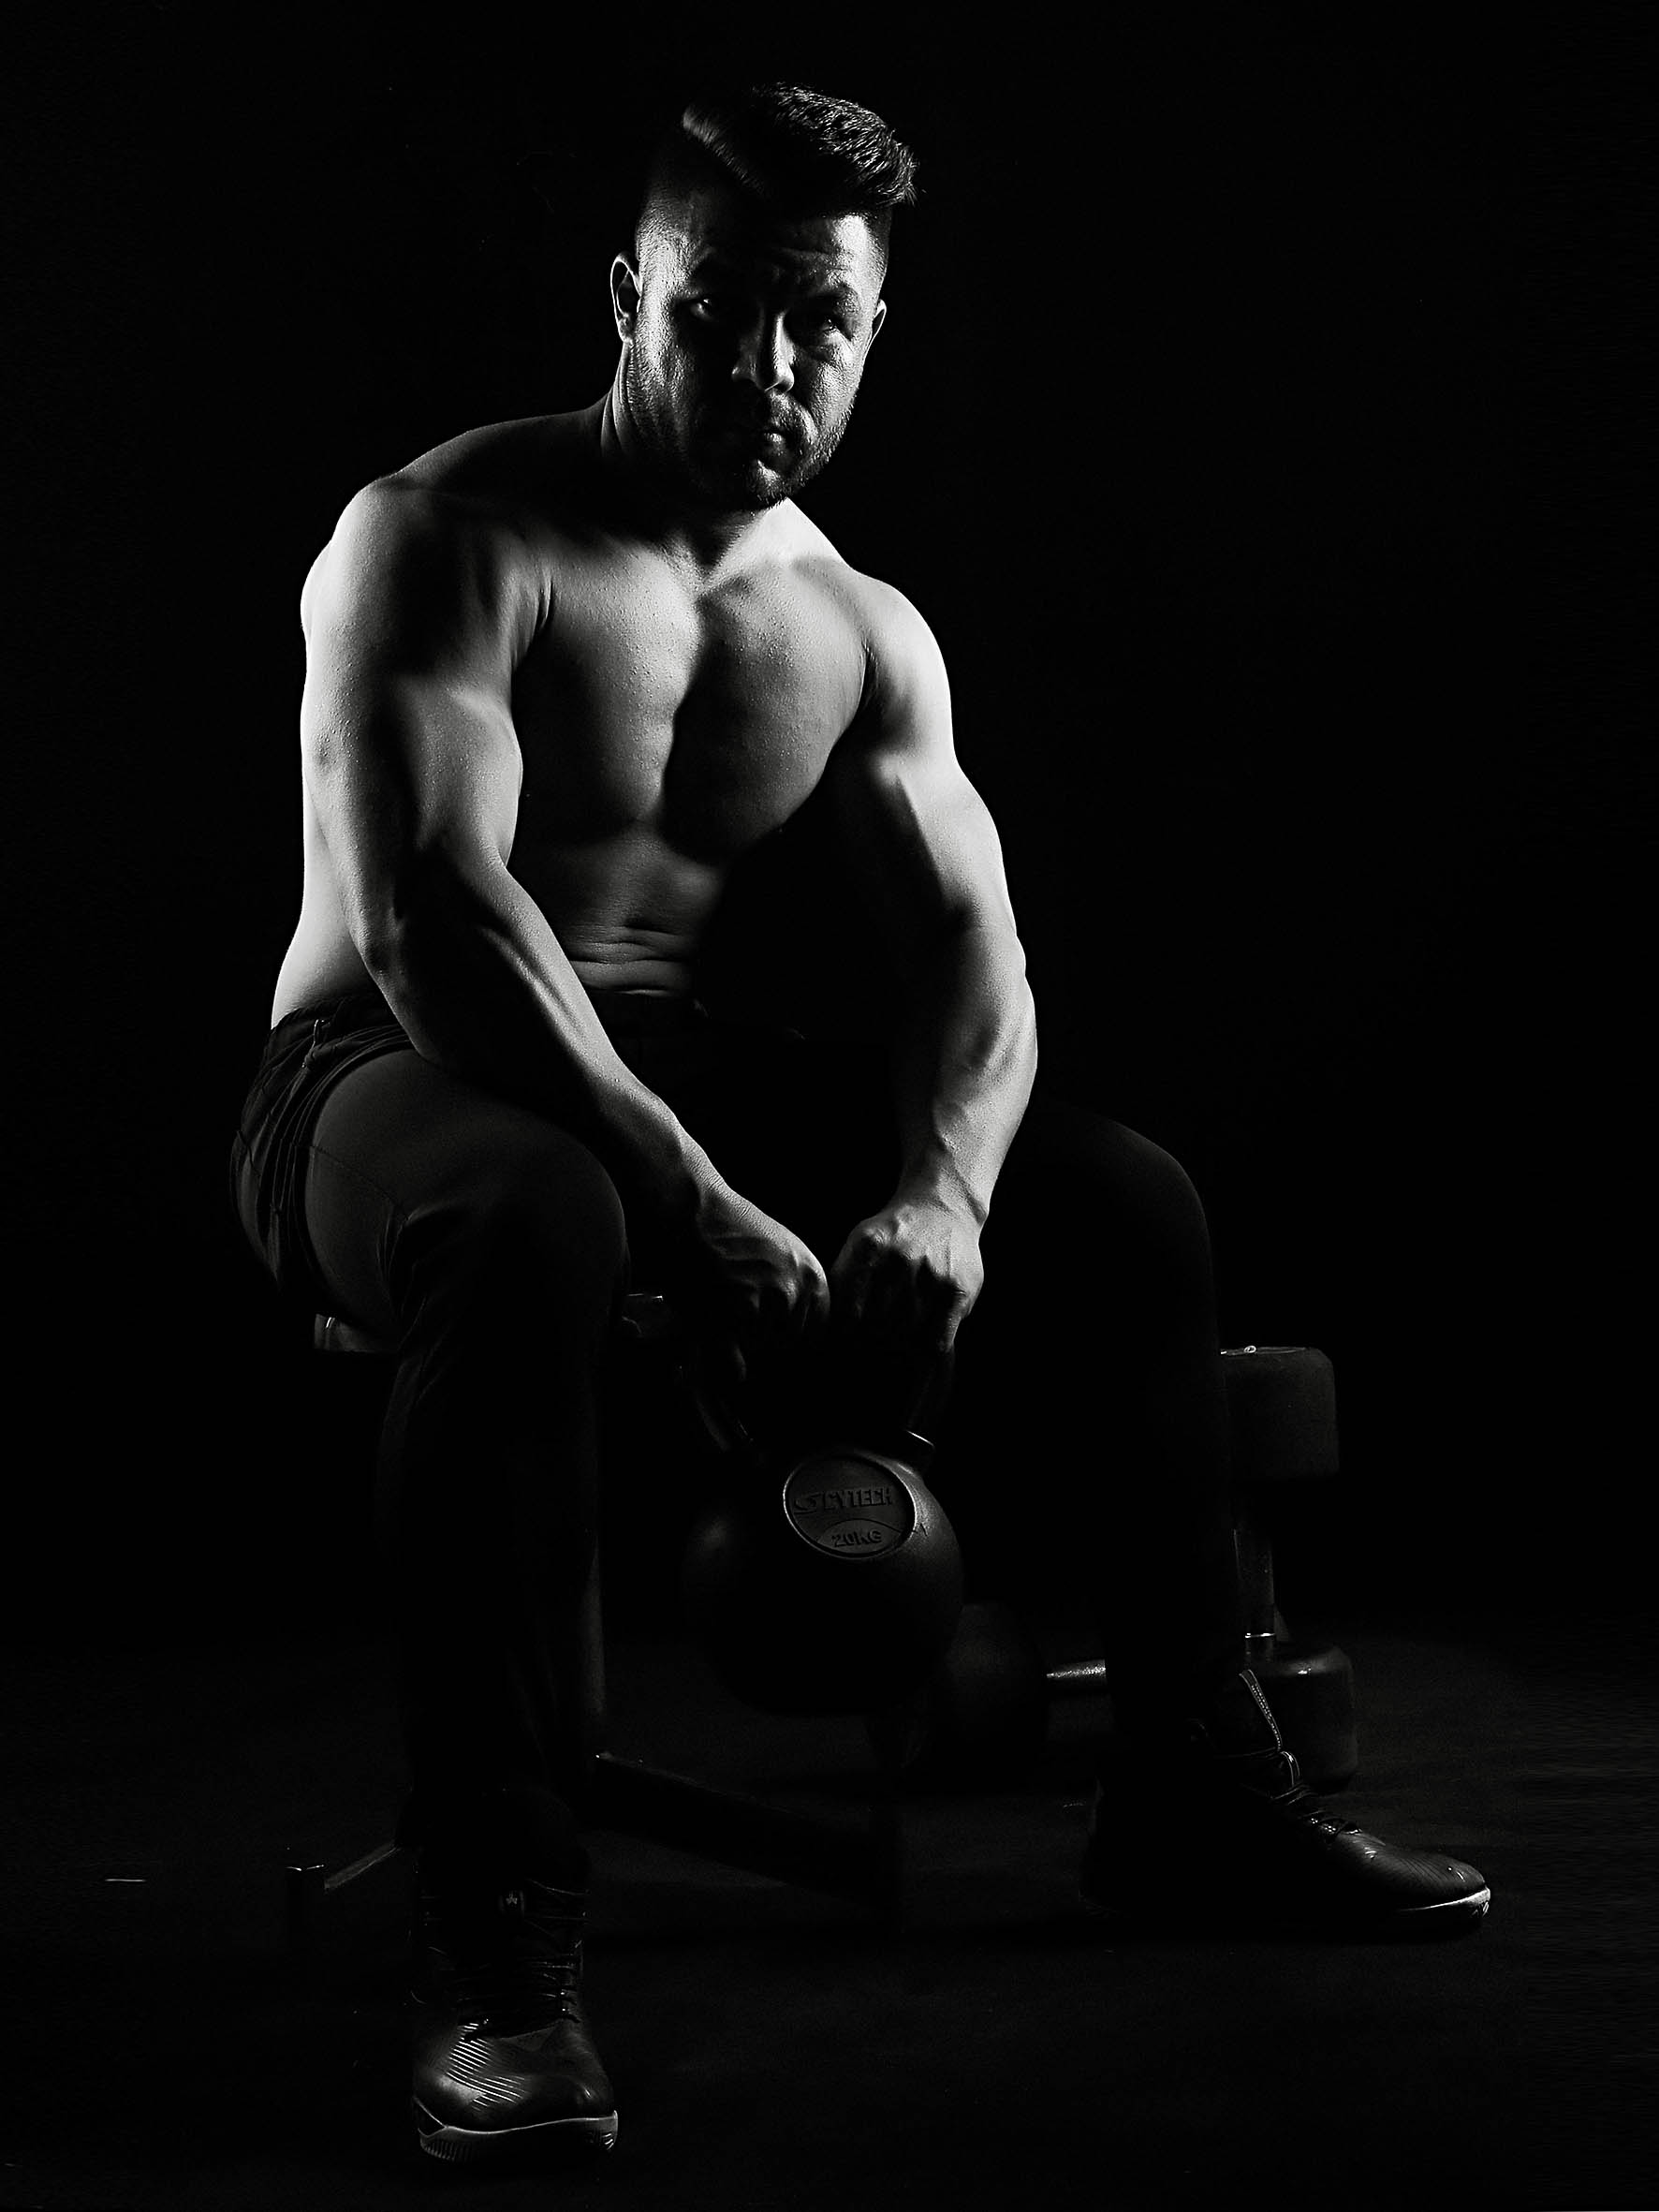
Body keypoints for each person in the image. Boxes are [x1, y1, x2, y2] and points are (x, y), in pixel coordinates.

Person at [229, 81, 1490, 2168]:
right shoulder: (444, 535)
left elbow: (982, 970)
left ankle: (1196, 1796)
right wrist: (691, 1195)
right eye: (714, 309)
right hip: (378, 1079)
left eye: (818, 319)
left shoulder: (856, 626)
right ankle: (496, 1938)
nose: (767, 364)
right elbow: (432, 920)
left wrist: (945, 1198)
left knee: (1122, 1200)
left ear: (875, 327)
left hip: (661, 1064)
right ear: (627, 297)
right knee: (537, 1214)